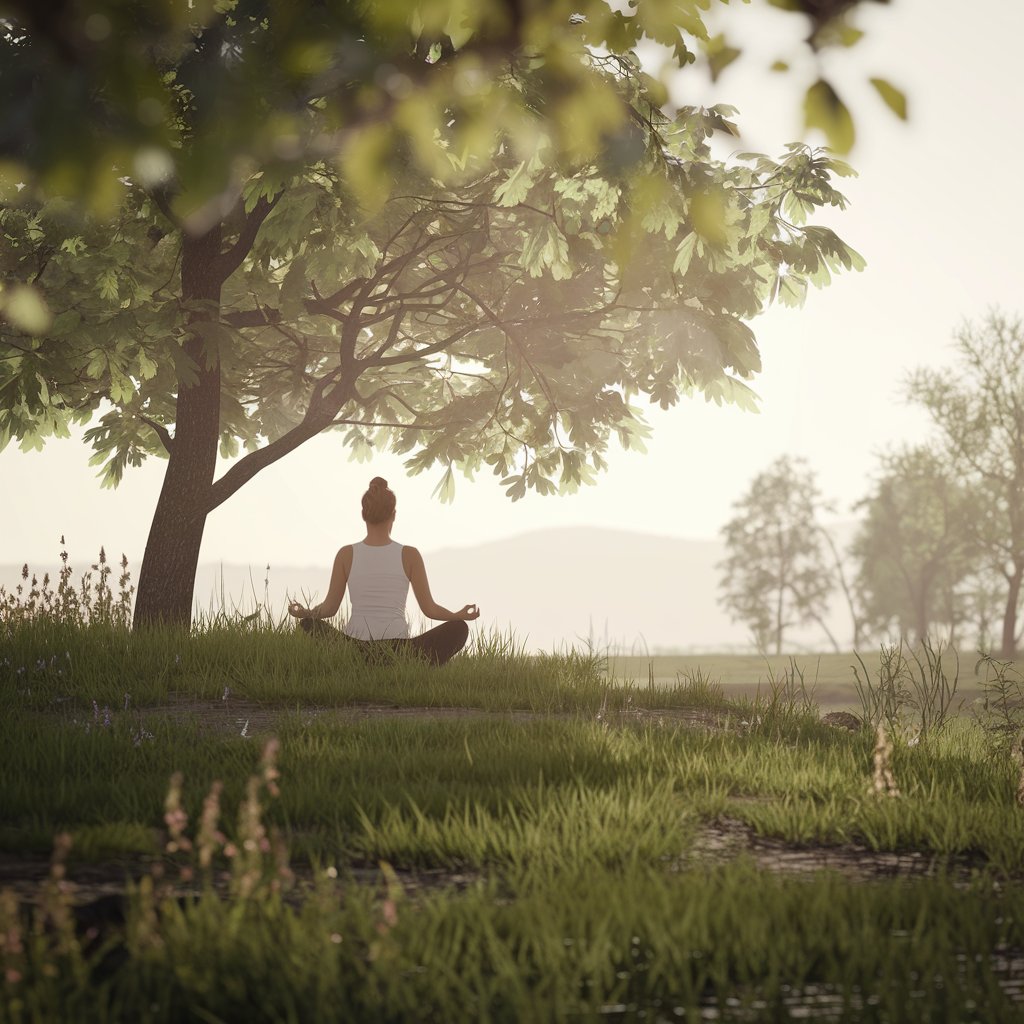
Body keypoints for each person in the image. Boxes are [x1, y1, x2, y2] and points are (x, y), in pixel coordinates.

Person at [287, 477, 480, 666]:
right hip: (400, 650)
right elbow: (429, 609)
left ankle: (355, 663)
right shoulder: (409, 555)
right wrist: (458, 616)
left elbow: (329, 608)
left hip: (354, 648)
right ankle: (406, 665)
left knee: (308, 625)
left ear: (364, 515)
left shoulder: (346, 554)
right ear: (394, 514)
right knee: (458, 629)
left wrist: (306, 613)